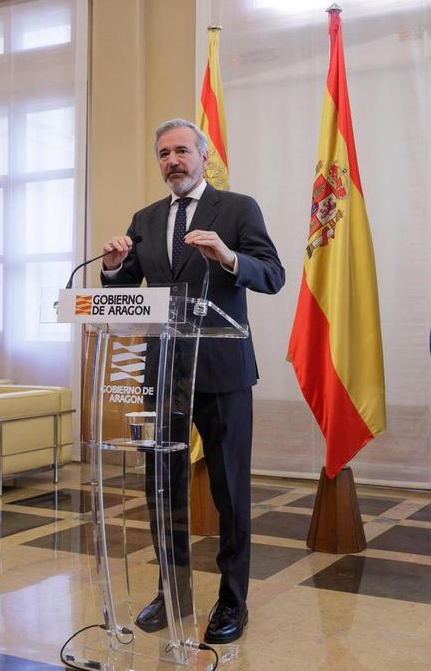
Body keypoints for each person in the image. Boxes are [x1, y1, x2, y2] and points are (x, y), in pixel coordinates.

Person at [101, 118, 284, 644]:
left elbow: (272, 274)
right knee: (163, 489)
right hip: (163, 373)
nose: (172, 161)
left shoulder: (238, 209)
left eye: (182, 150)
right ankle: (172, 588)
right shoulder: (146, 217)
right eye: (163, 154)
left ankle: (233, 600)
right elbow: (126, 289)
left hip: (223, 372)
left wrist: (228, 257)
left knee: (230, 491)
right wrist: (114, 269)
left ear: (203, 157)